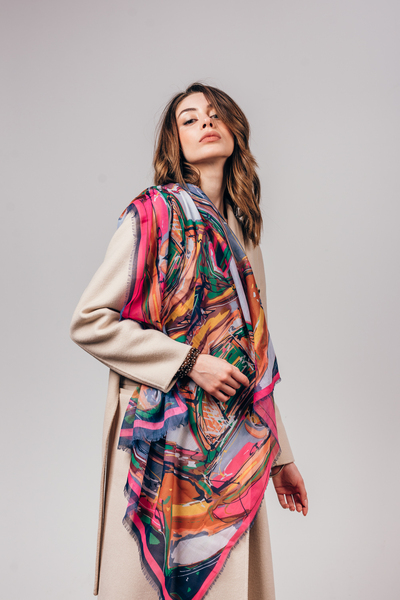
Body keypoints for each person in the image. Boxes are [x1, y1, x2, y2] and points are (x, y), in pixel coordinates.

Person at [70, 82, 308, 600]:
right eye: (190, 118)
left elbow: (255, 358)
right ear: (174, 142)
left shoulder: (243, 238)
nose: (206, 123)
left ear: (235, 130)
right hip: (161, 437)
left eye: (216, 114)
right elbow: (89, 321)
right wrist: (188, 362)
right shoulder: (154, 215)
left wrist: (281, 457)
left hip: (233, 444)